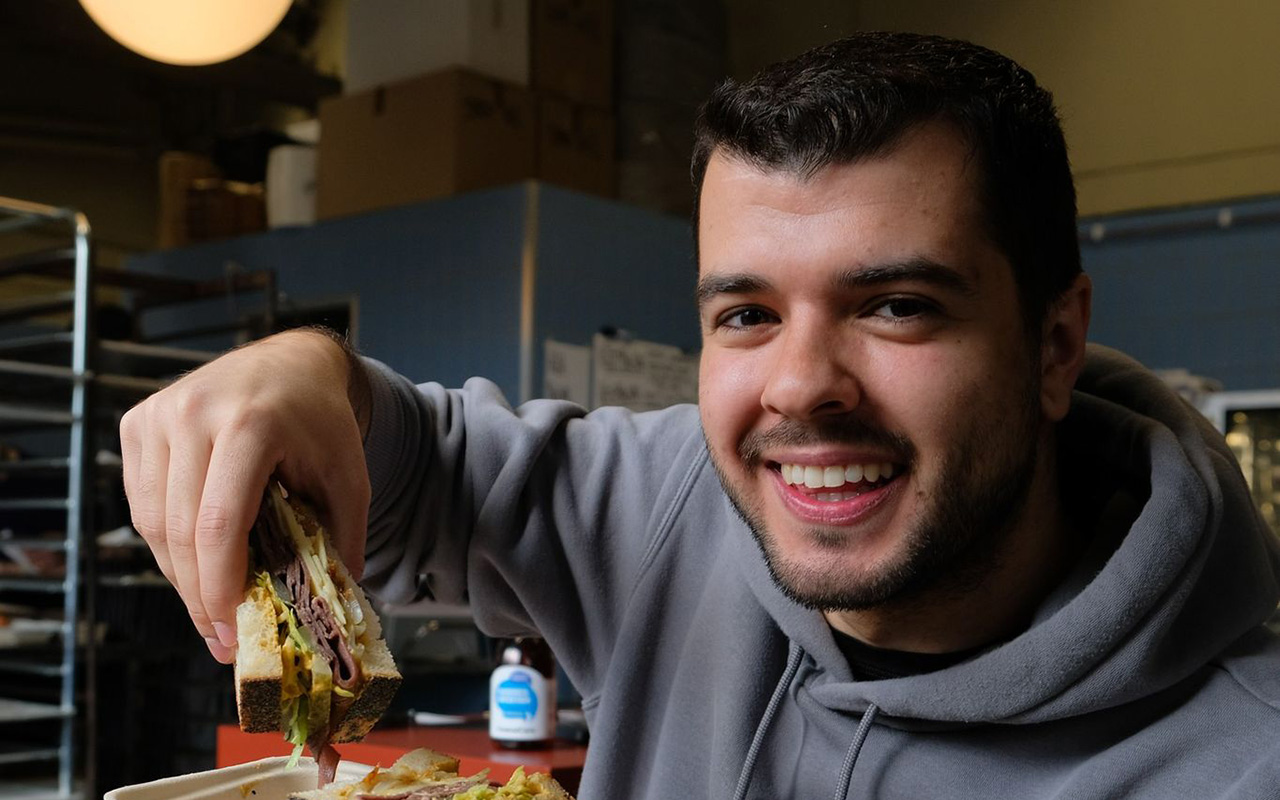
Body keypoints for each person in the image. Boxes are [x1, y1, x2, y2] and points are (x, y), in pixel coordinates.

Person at [120, 32, 1280, 799]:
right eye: (745, 314)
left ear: (1052, 344)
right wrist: (298, 369)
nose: (798, 385)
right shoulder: (674, 502)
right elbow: (410, 472)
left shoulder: (1239, 759)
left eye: (896, 305)